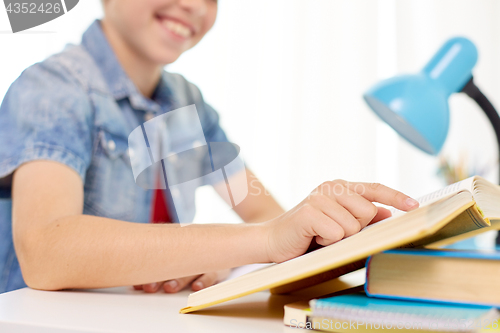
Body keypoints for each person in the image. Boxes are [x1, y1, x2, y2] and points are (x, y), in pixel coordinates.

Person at [0, 0, 419, 294]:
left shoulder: (185, 105)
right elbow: (46, 250)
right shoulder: (53, 88)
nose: (196, 6)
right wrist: (255, 241)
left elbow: (262, 212)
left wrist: (218, 257)